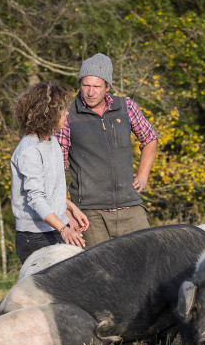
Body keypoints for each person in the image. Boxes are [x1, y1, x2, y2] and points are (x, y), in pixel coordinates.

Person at [54, 53, 159, 247]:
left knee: (146, 261)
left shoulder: (125, 106)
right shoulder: (68, 115)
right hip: (89, 214)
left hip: (130, 206)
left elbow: (150, 138)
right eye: (86, 85)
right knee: (100, 274)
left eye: (97, 86)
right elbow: (57, 169)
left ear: (107, 87)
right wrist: (68, 212)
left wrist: (143, 176)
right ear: (80, 84)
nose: (90, 92)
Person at [10, 81, 89, 263]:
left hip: (55, 228)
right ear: (48, 115)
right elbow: (36, 198)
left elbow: (50, 190)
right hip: (34, 236)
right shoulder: (29, 151)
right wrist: (64, 229)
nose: (67, 113)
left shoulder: (51, 140)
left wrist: (72, 209)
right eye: (62, 110)